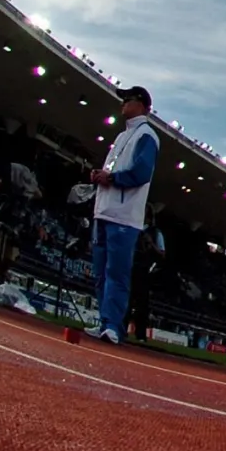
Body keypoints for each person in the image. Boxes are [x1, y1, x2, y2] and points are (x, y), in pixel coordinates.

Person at [84, 87, 160, 346]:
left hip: (123, 216)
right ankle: (106, 321)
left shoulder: (147, 135)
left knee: (116, 273)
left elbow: (141, 173)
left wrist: (112, 178)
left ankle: (114, 327)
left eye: (129, 99)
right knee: (101, 273)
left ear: (143, 105)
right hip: (103, 211)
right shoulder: (121, 136)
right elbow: (115, 169)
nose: (124, 103)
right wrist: (101, 175)